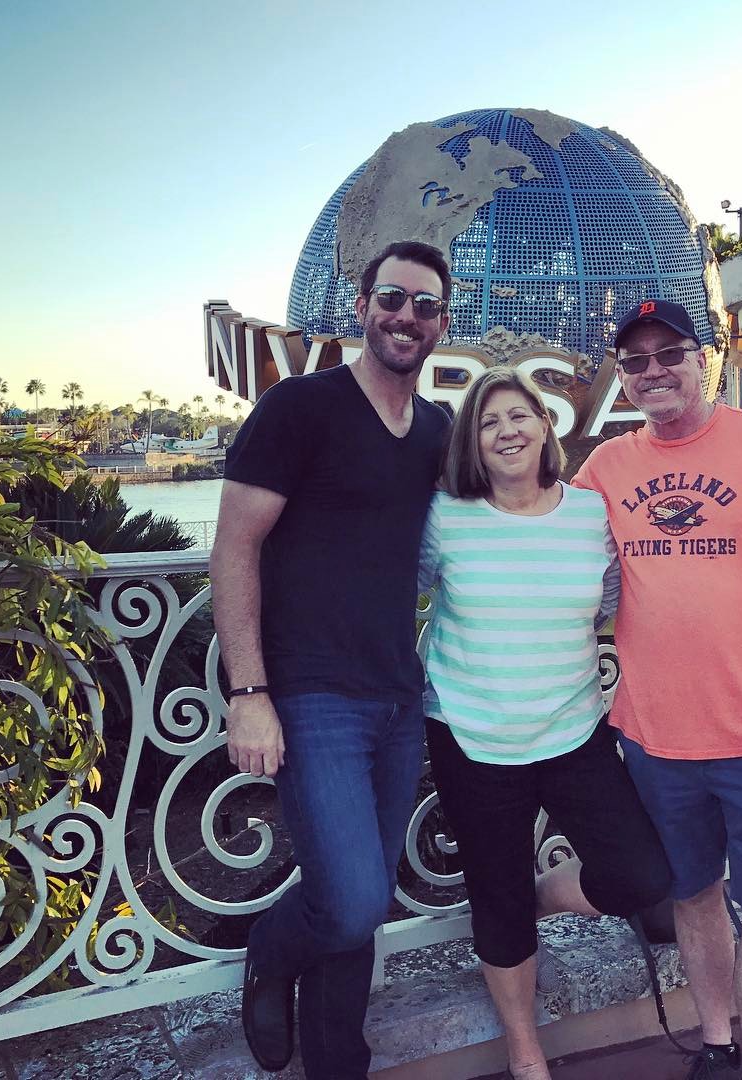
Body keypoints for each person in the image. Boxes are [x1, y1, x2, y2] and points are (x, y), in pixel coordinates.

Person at [573, 300, 742, 1080]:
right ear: (623, 377)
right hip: (655, 741)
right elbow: (541, 539)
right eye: (636, 361)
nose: (654, 370)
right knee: (693, 900)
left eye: (671, 353)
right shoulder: (606, 469)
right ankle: (717, 1045)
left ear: (708, 361)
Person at [210, 240, 452, 1079]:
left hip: (396, 693)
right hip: (309, 693)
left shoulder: (435, 429)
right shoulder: (299, 408)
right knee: (347, 902)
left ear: (440, 324)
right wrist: (249, 692)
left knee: (364, 907)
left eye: (424, 305)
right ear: (361, 305)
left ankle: (337, 1064)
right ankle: (269, 951)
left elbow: (500, 505)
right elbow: (233, 549)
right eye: (393, 297)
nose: (406, 316)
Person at [418, 367, 674, 1080]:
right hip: (471, 736)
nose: (507, 431)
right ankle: (526, 1053)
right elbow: (391, 586)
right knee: (495, 906)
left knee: (640, 872)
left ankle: (540, 894)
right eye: (489, 421)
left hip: (572, 732)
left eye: (519, 415)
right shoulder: (446, 517)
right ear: (473, 441)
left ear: (545, 427)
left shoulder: (592, 515)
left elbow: (624, 605)